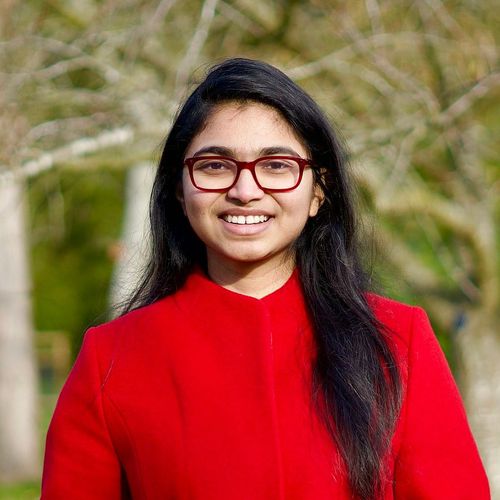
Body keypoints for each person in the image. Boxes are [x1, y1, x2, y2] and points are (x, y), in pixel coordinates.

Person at [41, 58, 489, 500]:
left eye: (276, 165)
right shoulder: (112, 360)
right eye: (215, 165)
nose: (245, 190)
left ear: (318, 191)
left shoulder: (396, 341)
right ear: (180, 188)